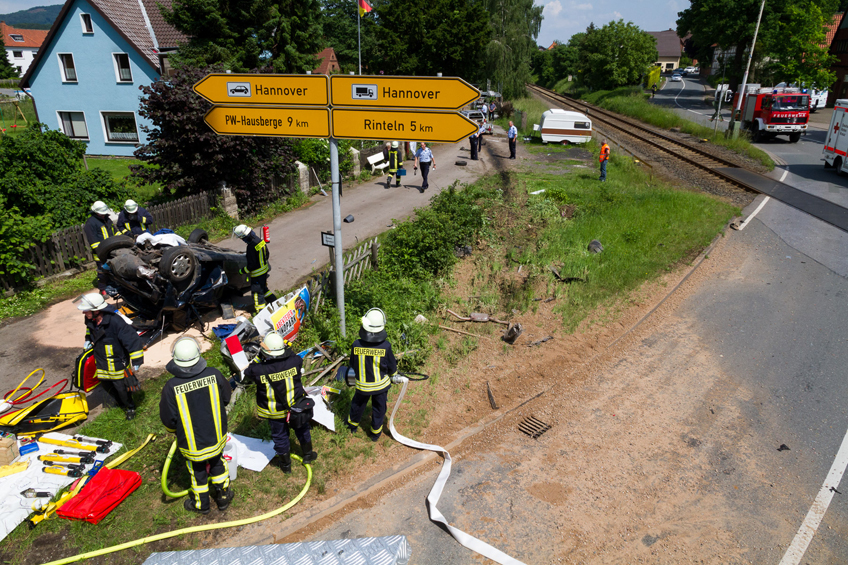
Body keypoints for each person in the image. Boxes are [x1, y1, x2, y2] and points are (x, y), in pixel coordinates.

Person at [160, 336, 234, 515]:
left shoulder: (171, 386)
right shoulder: (214, 374)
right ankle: (223, 497)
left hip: (192, 445)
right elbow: (226, 397)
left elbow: (168, 418)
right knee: (218, 464)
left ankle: (202, 505)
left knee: (197, 472)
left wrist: (174, 432)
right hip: (216, 437)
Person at [243, 332, 317, 474]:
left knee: (280, 436)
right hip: (295, 407)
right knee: (302, 429)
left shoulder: (259, 370)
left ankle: (286, 465)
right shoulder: (295, 361)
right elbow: (293, 355)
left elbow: (248, 372)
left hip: (274, 411)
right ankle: (308, 455)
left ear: (265, 352)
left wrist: (259, 358)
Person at [79, 293, 143, 420]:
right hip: (101, 360)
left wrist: (137, 360)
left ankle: (129, 407)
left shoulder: (115, 321)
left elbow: (132, 340)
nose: (83, 313)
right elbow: (89, 330)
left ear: (96, 310)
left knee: (122, 388)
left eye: (86, 310)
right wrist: (87, 339)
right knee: (107, 385)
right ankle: (119, 403)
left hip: (117, 362)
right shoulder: (90, 320)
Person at [346, 308, 397, 442]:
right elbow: (391, 366)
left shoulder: (356, 345)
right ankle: (375, 434)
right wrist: (394, 374)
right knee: (379, 408)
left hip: (362, 386)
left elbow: (352, 363)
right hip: (380, 387)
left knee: (357, 405)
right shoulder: (386, 346)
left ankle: (352, 426)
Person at [233, 224, 277, 311]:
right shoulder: (260, 241)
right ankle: (275, 302)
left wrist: (241, 271)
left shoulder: (251, 247)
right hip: (264, 271)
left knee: (257, 294)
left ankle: (261, 312)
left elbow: (251, 265)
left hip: (257, 275)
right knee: (264, 289)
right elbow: (267, 254)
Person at [83, 201, 120, 294]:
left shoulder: (107, 219)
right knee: (103, 271)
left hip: (112, 249)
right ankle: (102, 289)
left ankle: (115, 285)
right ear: (95, 212)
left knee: (114, 269)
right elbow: (93, 241)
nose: (103, 215)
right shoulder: (90, 223)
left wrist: (122, 238)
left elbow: (114, 232)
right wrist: (101, 251)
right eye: (101, 213)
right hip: (101, 253)